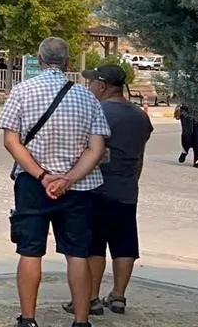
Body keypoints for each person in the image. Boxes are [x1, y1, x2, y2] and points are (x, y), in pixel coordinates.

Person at [0, 36, 110, 327]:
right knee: (77, 254)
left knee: (30, 251)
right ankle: (81, 320)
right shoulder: (87, 97)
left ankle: (28, 318)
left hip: (33, 184)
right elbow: (96, 149)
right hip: (79, 187)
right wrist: (69, 178)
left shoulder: (23, 91)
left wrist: (43, 175)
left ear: (39, 57)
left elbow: (11, 141)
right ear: (68, 61)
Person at [69, 63, 153, 317]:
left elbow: (87, 150)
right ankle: (118, 296)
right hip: (127, 188)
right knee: (124, 243)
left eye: (93, 82)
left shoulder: (97, 111)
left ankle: (92, 298)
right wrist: (133, 180)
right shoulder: (140, 116)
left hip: (98, 186)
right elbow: (140, 156)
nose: (90, 86)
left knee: (95, 245)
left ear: (103, 86)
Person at [176, 103, 198, 168]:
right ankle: (184, 151)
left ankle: (196, 161)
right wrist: (178, 109)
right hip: (186, 113)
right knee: (187, 136)